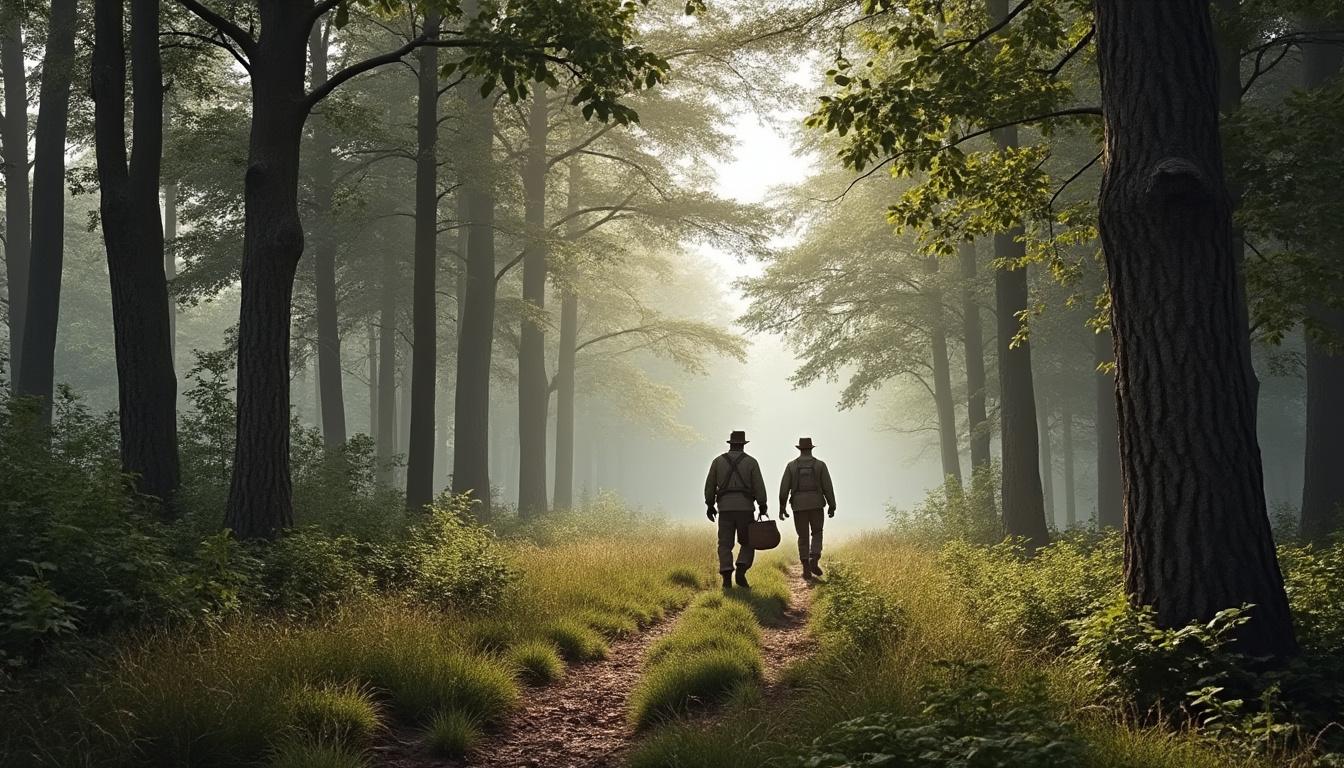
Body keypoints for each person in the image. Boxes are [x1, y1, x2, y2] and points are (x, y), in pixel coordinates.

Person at [704, 430, 769, 589]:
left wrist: (710, 505)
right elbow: (759, 486)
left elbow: (710, 485)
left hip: (725, 509)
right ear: (743, 445)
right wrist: (762, 504)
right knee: (748, 541)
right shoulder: (751, 462)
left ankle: (726, 574)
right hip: (746, 509)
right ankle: (741, 569)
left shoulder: (717, 462)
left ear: (731, 444)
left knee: (725, 543)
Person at [779, 437, 836, 580]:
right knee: (817, 532)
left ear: (799, 449)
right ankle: (814, 559)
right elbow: (828, 487)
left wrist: (782, 507)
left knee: (802, 536)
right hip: (817, 504)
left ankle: (805, 568)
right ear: (811, 448)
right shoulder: (820, 465)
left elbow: (784, 489)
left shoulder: (791, 466)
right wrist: (832, 505)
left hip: (798, 506)